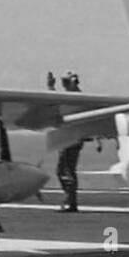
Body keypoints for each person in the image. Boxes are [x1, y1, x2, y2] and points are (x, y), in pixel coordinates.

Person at [55, 70, 86, 212]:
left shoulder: (76, 98)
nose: (65, 85)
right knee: (64, 170)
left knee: (66, 170)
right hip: (69, 137)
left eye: (66, 82)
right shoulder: (71, 97)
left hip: (72, 138)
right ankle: (70, 200)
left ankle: (70, 201)